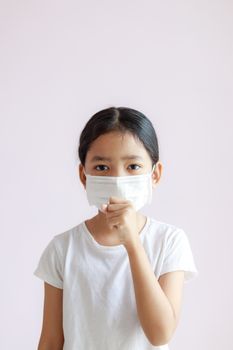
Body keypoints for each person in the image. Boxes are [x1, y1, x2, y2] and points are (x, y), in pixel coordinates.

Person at [34, 106, 198, 350]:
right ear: (83, 175)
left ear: (155, 175)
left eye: (132, 166)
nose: (117, 180)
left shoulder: (169, 241)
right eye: (102, 167)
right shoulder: (63, 249)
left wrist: (132, 243)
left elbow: (160, 333)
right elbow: (50, 341)